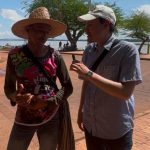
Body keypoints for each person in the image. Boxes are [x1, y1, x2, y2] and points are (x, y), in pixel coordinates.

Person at [70, 5, 142, 150]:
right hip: (91, 126)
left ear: (107, 24)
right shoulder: (89, 50)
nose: (85, 30)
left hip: (116, 130)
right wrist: (81, 111)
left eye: (90, 25)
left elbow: (125, 92)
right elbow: (87, 84)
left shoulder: (127, 50)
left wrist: (89, 73)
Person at [4, 7, 74, 150]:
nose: (44, 35)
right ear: (28, 30)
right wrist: (16, 97)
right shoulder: (15, 55)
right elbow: (8, 88)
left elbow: (68, 86)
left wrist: (50, 101)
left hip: (50, 116)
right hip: (24, 117)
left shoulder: (55, 56)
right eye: (39, 30)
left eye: (47, 31)